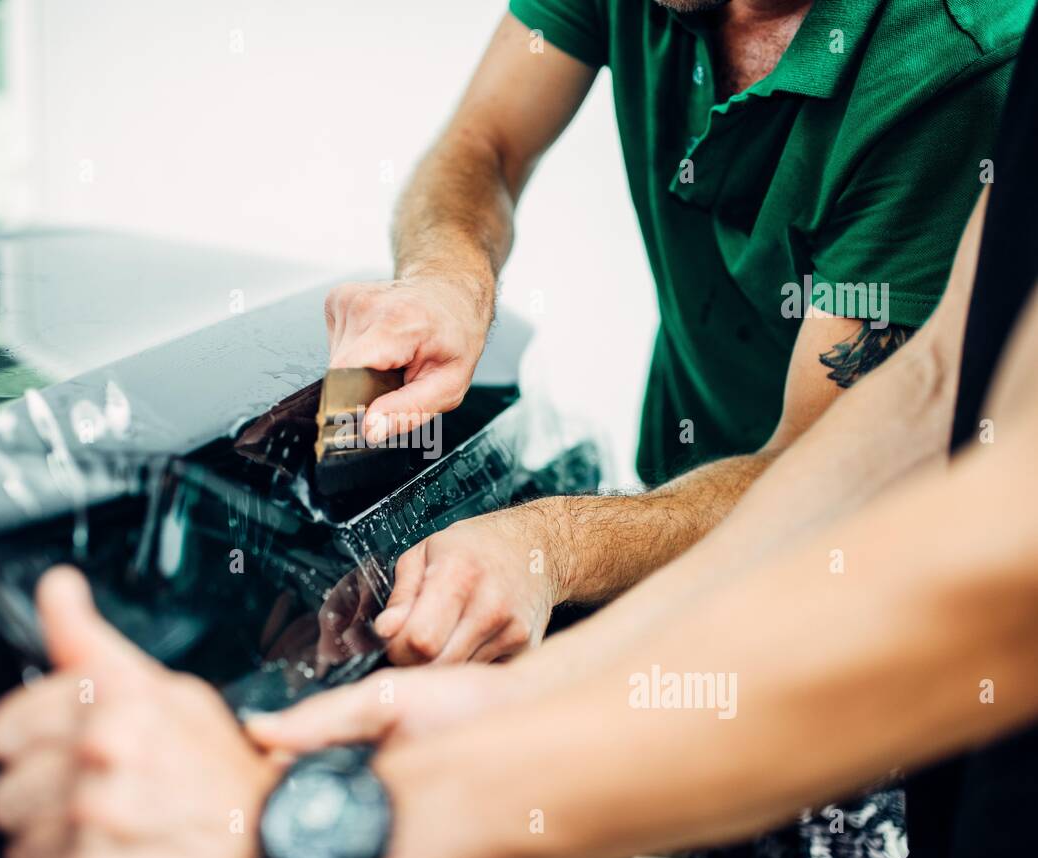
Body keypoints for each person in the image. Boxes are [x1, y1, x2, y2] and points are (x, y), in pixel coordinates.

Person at [0, 5, 1038, 858]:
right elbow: (917, 402)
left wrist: (324, 815)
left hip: (901, 668)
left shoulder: (958, 62)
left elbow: (994, 572)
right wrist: (447, 278)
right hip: (716, 573)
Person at [326, 0, 1031, 666]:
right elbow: (487, 141)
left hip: (861, 605)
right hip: (658, 526)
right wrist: (447, 278)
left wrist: (553, 547)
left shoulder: (957, 65)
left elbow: (823, 472)